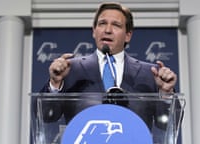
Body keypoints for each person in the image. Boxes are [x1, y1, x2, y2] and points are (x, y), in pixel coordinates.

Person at [40, 2, 177, 131]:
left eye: (116, 25)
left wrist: (166, 94)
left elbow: (170, 125)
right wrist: (55, 84)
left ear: (128, 35)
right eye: (102, 23)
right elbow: (46, 116)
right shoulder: (71, 69)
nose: (107, 30)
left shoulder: (150, 74)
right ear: (94, 31)